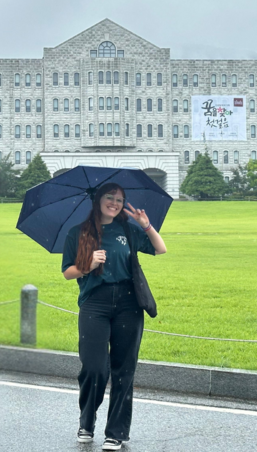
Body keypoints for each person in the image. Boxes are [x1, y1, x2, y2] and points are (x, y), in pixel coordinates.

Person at [61, 183, 167, 451]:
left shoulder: (128, 230)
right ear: (98, 200)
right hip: (94, 303)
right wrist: (88, 265)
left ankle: (116, 432)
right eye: (109, 197)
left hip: (129, 303)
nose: (115, 203)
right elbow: (67, 272)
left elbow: (160, 249)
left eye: (119, 199)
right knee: (94, 368)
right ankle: (87, 421)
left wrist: (145, 224)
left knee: (124, 369)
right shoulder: (78, 233)